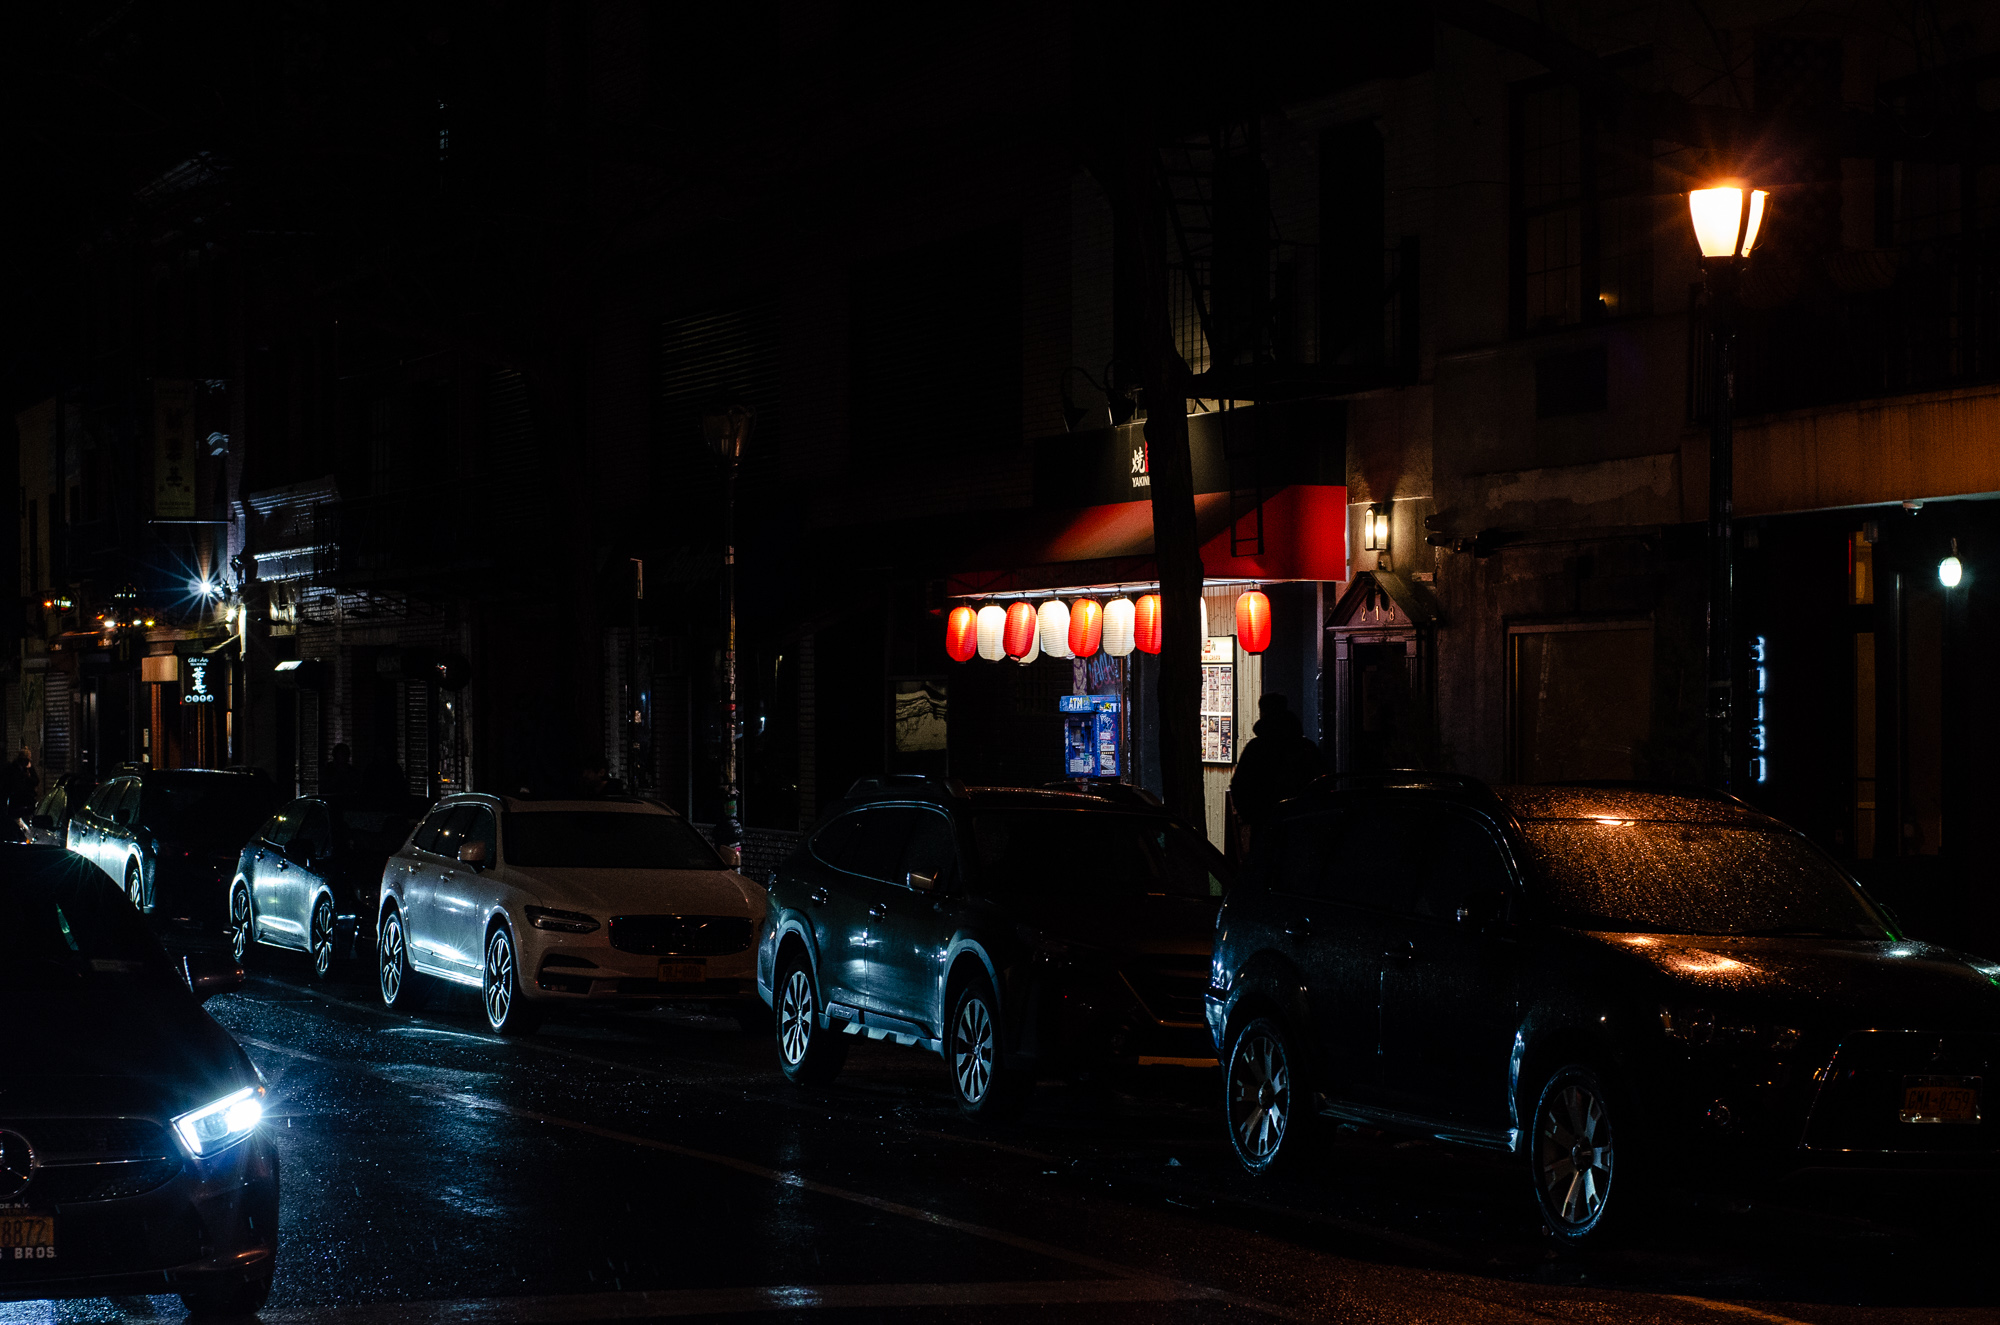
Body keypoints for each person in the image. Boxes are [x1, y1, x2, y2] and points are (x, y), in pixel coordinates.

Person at [1229, 694, 1327, 838]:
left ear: (1262, 712)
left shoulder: (1256, 748)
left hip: (1265, 827)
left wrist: (1252, 817)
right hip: (1303, 828)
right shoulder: (1307, 747)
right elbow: (1323, 784)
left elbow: (1239, 787)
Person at [4, 747, 40, 839]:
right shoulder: (14, 769)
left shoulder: (28, 769)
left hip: (27, 802)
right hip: (17, 802)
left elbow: (35, 781)